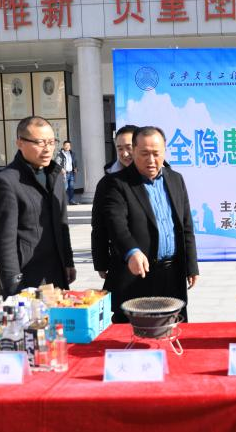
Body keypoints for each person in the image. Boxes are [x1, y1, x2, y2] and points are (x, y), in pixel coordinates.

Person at [102, 126, 199, 322]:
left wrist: (191, 265)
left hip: (172, 275)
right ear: (134, 151)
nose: (151, 160)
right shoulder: (117, 183)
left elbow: (186, 225)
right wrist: (132, 252)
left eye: (156, 153)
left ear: (165, 151)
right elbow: (116, 224)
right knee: (135, 333)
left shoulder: (175, 179)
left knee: (173, 329)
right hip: (136, 276)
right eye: (144, 154)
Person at [0, 116, 76, 298]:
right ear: (20, 143)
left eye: (51, 142)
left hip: (57, 274)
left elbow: (62, 224)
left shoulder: (55, 175)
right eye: (40, 142)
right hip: (28, 278)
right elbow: (4, 241)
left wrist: (68, 262)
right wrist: (14, 285)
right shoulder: (7, 182)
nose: (47, 149)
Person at [91, 124, 138, 279]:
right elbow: (99, 226)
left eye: (129, 147)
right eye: (120, 148)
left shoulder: (163, 178)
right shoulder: (107, 183)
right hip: (122, 262)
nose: (125, 153)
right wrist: (101, 262)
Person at [55, 140, 78, 205]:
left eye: (68, 145)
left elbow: (75, 162)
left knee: (71, 188)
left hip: (71, 173)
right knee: (65, 188)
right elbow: (57, 163)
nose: (67, 147)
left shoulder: (72, 153)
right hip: (64, 174)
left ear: (70, 146)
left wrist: (76, 168)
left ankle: (71, 200)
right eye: (66, 145)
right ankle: (61, 202)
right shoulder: (60, 154)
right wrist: (61, 169)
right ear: (63, 146)